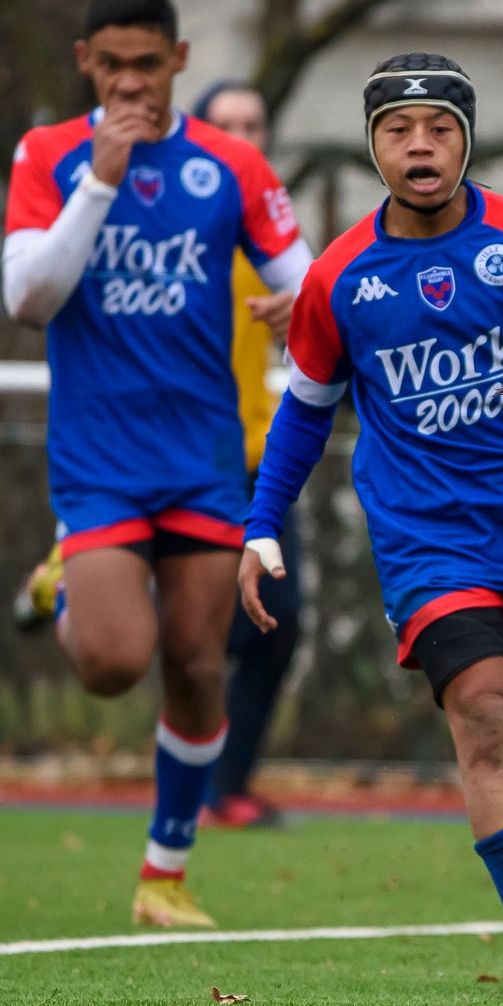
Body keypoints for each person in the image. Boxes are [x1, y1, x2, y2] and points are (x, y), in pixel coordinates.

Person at [238, 53, 503, 997]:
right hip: (426, 541)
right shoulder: (340, 276)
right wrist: (260, 523)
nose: (421, 144)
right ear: (374, 145)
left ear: (467, 138)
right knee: (487, 719)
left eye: (440, 127)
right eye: (398, 129)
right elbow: (302, 411)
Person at [1, 0, 315, 928]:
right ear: (84, 61)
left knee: (196, 658)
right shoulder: (50, 155)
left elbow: (305, 276)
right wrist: (99, 178)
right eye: (112, 64)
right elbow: (28, 297)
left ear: (178, 60)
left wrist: (303, 300)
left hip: (206, 457)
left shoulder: (231, 166)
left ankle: (163, 876)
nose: (131, 81)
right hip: (98, 459)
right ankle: (69, 576)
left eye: (148, 63)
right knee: (110, 661)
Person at [197, 79, 299, 829]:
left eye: (252, 123)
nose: (241, 136)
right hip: (186, 456)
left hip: (257, 458)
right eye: (224, 123)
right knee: (210, 627)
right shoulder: (172, 227)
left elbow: (319, 316)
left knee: (275, 621)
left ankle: (222, 785)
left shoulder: (273, 236)